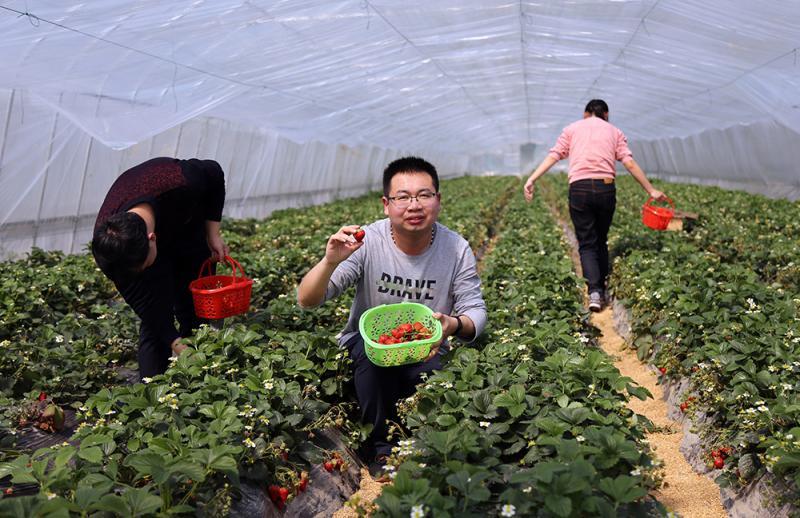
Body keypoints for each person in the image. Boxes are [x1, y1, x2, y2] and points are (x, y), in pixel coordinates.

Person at [297, 156, 487, 469]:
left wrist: (451, 324)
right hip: (371, 347)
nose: (414, 205)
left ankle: (428, 444)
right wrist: (329, 261)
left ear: (438, 201)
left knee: (436, 375)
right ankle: (379, 447)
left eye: (424, 195)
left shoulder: (456, 248)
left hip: (427, 345)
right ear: (386, 204)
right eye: (403, 197)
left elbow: (475, 309)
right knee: (371, 361)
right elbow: (308, 300)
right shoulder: (367, 241)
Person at [523, 99, 667, 312]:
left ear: (585, 113)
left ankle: (594, 292)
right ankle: (603, 286)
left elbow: (554, 155)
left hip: (579, 189)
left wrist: (532, 178)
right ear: (606, 114)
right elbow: (628, 162)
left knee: (587, 242)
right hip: (605, 188)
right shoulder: (614, 131)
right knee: (601, 239)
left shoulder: (572, 129)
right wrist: (650, 190)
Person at [92, 157, 229, 379]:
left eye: (144, 266)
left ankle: (203, 380)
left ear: (152, 238)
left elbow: (214, 171)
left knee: (195, 309)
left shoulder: (182, 182)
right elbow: (146, 304)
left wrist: (213, 233)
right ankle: (154, 393)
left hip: (186, 225)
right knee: (155, 324)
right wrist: (175, 343)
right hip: (149, 243)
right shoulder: (111, 249)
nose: (142, 273)